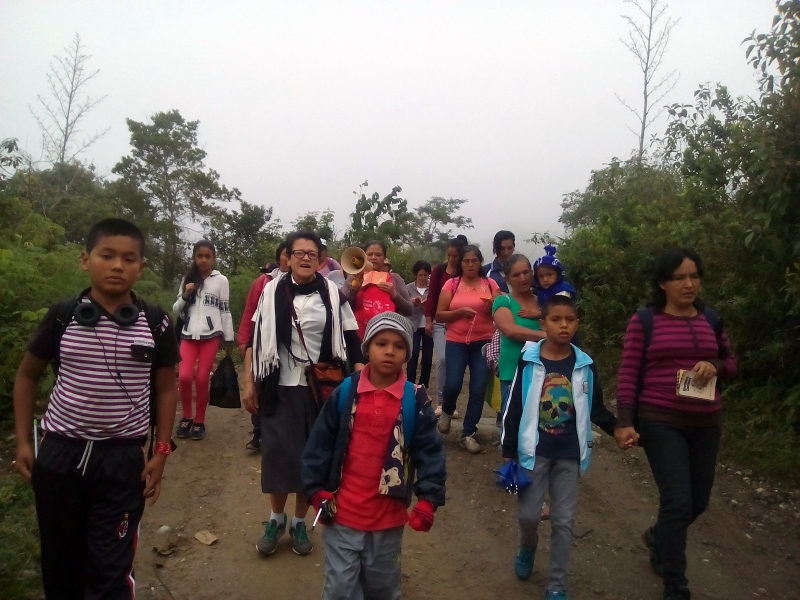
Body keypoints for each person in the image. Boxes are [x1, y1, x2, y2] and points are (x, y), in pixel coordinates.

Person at [13, 218, 180, 599]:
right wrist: (24, 441)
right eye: (107, 256)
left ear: (142, 267)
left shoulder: (155, 322)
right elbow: (26, 377)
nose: (118, 265)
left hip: (121, 462)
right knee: (60, 562)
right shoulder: (62, 316)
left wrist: (162, 450)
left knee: (112, 568)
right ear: (85, 260)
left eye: (128, 258)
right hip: (58, 455)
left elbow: (167, 388)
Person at [614, 248, 737, 600]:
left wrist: (715, 365)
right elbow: (629, 371)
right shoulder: (645, 320)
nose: (689, 284)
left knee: (698, 502)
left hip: (706, 421)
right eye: (680, 277)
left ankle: (658, 537)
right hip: (661, 419)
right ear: (662, 283)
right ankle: (675, 585)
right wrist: (625, 420)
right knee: (678, 502)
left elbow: (731, 363)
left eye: (694, 276)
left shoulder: (711, 319)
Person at [302, 313, 446, 600]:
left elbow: (430, 452)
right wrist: (316, 490)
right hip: (341, 514)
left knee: (382, 589)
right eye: (381, 343)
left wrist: (428, 500)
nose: (390, 351)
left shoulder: (415, 400)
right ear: (367, 348)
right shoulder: (345, 392)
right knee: (341, 589)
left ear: (408, 353)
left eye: (399, 345)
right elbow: (320, 444)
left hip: (388, 521)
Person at [242, 230, 366, 557]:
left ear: (322, 260)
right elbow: (255, 340)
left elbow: (351, 339)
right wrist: (248, 381)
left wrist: (358, 380)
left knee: (311, 456)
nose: (306, 258)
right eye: (299, 252)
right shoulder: (270, 292)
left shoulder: (333, 294)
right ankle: (275, 519)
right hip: (278, 384)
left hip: (321, 389)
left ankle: (298, 522)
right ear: (289, 257)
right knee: (279, 454)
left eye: (312, 253)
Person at [501, 295, 617, 599]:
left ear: (576, 323)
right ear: (543, 324)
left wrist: (622, 429)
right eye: (556, 319)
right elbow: (514, 405)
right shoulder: (529, 361)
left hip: (568, 454)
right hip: (533, 452)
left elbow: (597, 409)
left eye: (569, 319)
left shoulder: (584, 365)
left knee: (564, 522)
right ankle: (528, 547)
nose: (563, 325)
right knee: (528, 515)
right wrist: (509, 448)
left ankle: (556, 585)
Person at [435, 245, 501, 453]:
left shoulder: (490, 284)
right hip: (456, 341)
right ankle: (446, 411)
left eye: (474, 260)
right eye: (466, 261)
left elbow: (502, 312)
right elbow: (439, 315)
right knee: (453, 383)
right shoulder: (451, 284)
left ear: (481, 262)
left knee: (478, 388)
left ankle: (468, 433)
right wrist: (460, 312)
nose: (470, 264)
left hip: (484, 343)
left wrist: (494, 309)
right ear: (460, 263)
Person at [173, 240, 234, 441]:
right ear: (194, 257)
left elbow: (225, 310)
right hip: (188, 333)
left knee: (201, 379)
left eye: (208, 256)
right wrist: (185, 294)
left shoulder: (221, 281)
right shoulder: (187, 279)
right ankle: (186, 416)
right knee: (183, 377)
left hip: (211, 334)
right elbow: (176, 309)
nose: (204, 260)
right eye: (200, 256)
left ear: (214, 258)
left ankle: (199, 420)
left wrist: (228, 337)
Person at [238, 240, 290, 451]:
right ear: (279, 258)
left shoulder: (306, 284)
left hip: (285, 348)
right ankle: (258, 433)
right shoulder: (264, 282)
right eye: (286, 254)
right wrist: (244, 339)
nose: (289, 258)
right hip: (261, 343)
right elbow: (250, 311)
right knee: (259, 385)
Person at [492, 255, 546, 416]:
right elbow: (510, 330)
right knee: (513, 422)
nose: (523, 278)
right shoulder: (503, 302)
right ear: (507, 279)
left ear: (532, 273)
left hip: (543, 371)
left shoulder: (544, 303)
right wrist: (546, 335)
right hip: (512, 372)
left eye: (526, 272)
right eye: (516, 275)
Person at [425, 237, 468, 414]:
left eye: (455, 256)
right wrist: (428, 319)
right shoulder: (439, 270)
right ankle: (442, 402)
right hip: (440, 321)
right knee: (443, 358)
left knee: (455, 363)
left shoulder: (466, 272)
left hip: (460, 322)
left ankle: (451, 403)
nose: (451, 259)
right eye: (448, 255)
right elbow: (432, 296)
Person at [342, 241, 413, 337]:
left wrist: (395, 295)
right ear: (364, 256)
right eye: (369, 254)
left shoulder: (395, 278)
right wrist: (354, 290)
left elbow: (409, 310)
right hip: (358, 338)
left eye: (378, 255)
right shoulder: (352, 279)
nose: (373, 258)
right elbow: (342, 307)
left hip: (389, 336)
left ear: (384, 258)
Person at [406, 260, 433, 388]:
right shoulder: (408, 288)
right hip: (413, 324)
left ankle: (424, 383)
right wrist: (412, 302)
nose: (423, 278)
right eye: (420, 275)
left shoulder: (433, 287)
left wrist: (427, 303)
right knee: (414, 352)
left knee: (427, 355)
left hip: (429, 324)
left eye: (425, 275)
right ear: (416, 275)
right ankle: (410, 382)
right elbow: (404, 304)